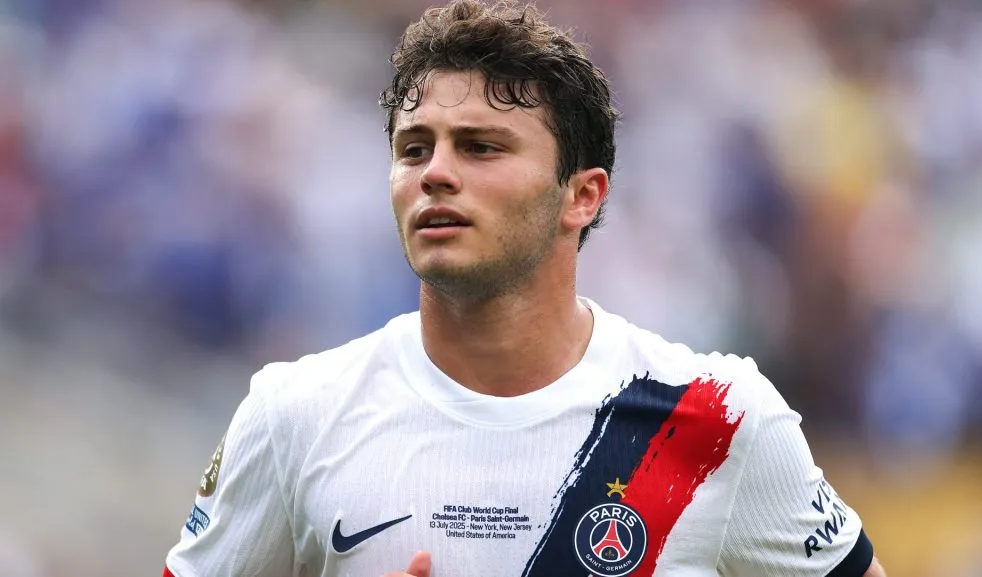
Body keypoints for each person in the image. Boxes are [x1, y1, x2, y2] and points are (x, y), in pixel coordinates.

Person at [163, 1, 887, 576]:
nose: (435, 172)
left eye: (481, 146)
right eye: (414, 148)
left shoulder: (719, 416)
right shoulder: (293, 415)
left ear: (581, 196)